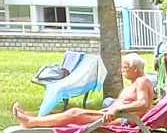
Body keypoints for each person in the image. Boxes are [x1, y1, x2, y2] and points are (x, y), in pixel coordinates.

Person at [11, 53, 153, 128]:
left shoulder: (142, 81)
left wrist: (117, 109)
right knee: (70, 113)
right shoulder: (137, 82)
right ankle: (34, 119)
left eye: (125, 67)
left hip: (122, 121)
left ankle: (31, 122)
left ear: (135, 69)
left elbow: (143, 103)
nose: (122, 70)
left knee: (74, 113)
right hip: (114, 116)